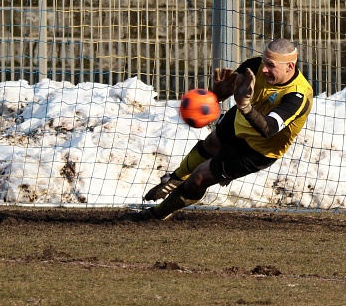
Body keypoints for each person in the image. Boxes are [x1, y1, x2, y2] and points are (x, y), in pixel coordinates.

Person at [121, 38, 313, 221]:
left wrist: (245, 106)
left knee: (199, 178)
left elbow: (269, 129)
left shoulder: (297, 96)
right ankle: (174, 179)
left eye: (271, 65)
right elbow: (229, 89)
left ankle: (156, 214)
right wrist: (217, 94)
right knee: (211, 143)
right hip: (241, 121)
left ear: (289, 66)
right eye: (264, 62)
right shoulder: (255, 67)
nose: (264, 69)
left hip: (258, 149)